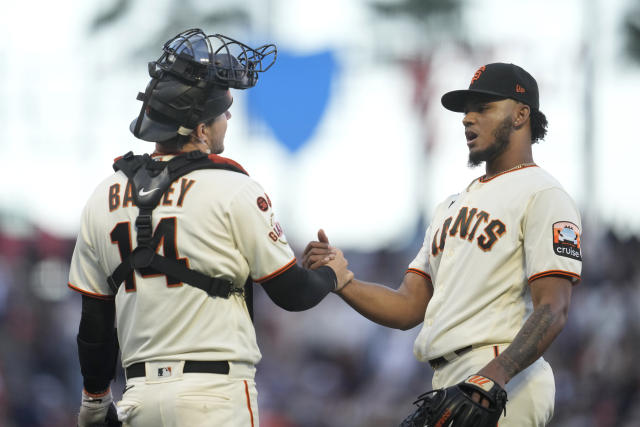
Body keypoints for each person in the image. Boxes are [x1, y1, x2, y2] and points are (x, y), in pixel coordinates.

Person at [68, 29, 352, 427]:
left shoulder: (104, 195)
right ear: (200, 129)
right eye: (223, 110)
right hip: (214, 399)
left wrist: (95, 405)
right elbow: (292, 293)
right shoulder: (233, 188)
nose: (229, 118)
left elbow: (95, 323)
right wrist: (331, 275)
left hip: (139, 400)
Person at [304, 63, 582, 426]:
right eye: (465, 111)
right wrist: (344, 282)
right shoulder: (450, 206)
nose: (467, 119)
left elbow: (553, 308)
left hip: (504, 378)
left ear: (520, 114)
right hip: (452, 380)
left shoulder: (543, 193)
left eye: (482, 108)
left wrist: (493, 375)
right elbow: (408, 307)